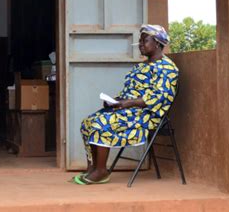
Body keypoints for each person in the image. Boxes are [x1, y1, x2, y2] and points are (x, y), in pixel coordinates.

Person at [74, 24, 179, 185]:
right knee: (87, 123)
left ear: (157, 43)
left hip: (146, 115)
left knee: (100, 124)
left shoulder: (168, 69)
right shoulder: (141, 67)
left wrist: (129, 103)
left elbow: (160, 97)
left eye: (145, 41)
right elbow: (130, 92)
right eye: (139, 41)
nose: (140, 45)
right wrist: (115, 101)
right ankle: (93, 168)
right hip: (129, 110)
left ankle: (102, 171)